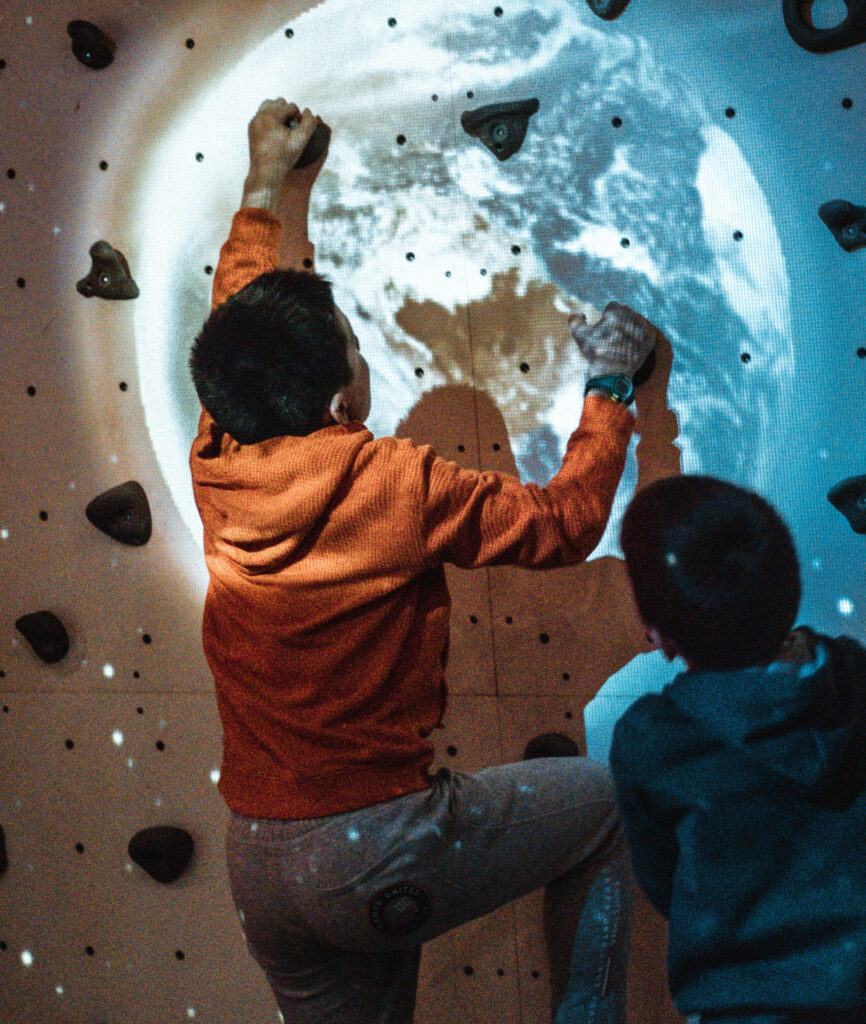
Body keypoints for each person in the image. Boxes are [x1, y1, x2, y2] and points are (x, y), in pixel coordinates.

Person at [188, 100, 866, 1024]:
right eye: (353, 345)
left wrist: (265, 182)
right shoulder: (389, 482)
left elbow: (237, 314)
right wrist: (610, 389)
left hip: (261, 866)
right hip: (376, 848)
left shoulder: (220, 450)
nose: (360, 350)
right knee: (606, 806)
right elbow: (564, 524)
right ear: (340, 393)